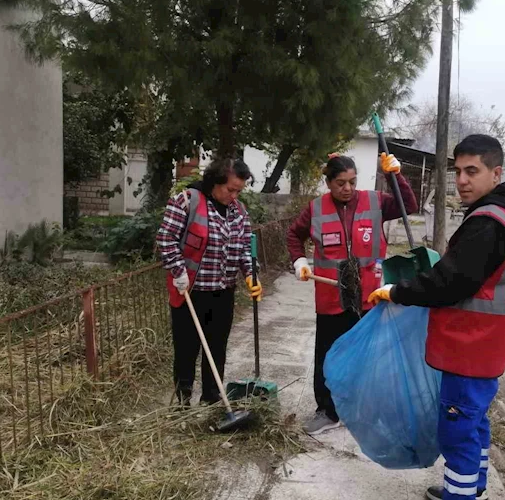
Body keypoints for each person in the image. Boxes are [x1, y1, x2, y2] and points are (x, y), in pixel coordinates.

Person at [368, 134, 505, 500]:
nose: (462, 180)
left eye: (472, 171)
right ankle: (473, 491)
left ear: (496, 173)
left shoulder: (488, 223)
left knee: (457, 430)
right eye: (458, 171)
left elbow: (449, 282)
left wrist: (398, 291)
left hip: (471, 345)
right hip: (485, 346)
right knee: (475, 424)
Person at [287, 152, 418, 435]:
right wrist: (298, 260)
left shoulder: (376, 202)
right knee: (327, 355)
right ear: (329, 183)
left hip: (369, 297)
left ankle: (362, 409)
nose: (347, 188)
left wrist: (396, 176)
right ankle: (328, 411)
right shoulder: (316, 209)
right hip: (331, 297)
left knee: (369, 356)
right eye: (340, 183)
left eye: (352, 181)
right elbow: (294, 235)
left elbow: (409, 205)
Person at [156, 158, 263, 406]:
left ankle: (211, 399)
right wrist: (178, 270)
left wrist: (250, 274)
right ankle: (182, 401)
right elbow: (166, 239)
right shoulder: (187, 201)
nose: (234, 195)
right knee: (186, 349)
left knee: (216, 347)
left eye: (239, 190)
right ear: (215, 182)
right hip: (190, 291)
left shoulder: (239, 212)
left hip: (223, 292)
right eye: (230, 189)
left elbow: (245, 248)